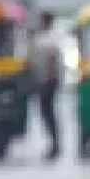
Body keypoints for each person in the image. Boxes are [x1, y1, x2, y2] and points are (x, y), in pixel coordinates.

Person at [31, 11, 63, 160]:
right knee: (46, 114)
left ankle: (55, 145)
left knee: (49, 114)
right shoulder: (43, 37)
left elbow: (51, 62)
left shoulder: (50, 38)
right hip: (43, 81)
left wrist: (49, 80)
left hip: (48, 82)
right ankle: (54, 144)